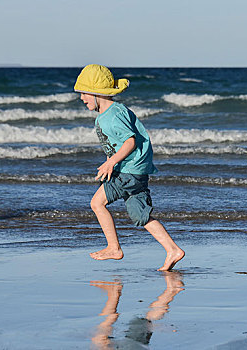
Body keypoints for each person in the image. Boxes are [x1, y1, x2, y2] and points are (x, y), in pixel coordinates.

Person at [74, 64, 185, 271]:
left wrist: (111, 162)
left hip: (129, 172)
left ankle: (114, 248)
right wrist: (111, 162)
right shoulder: (106, 115)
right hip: (135, 172)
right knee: (141, 216)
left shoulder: (115, 114)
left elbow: (130, 142)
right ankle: (173, 250)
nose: (81, 98)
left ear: (97, 93)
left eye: (84, 93)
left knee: (97, 203)